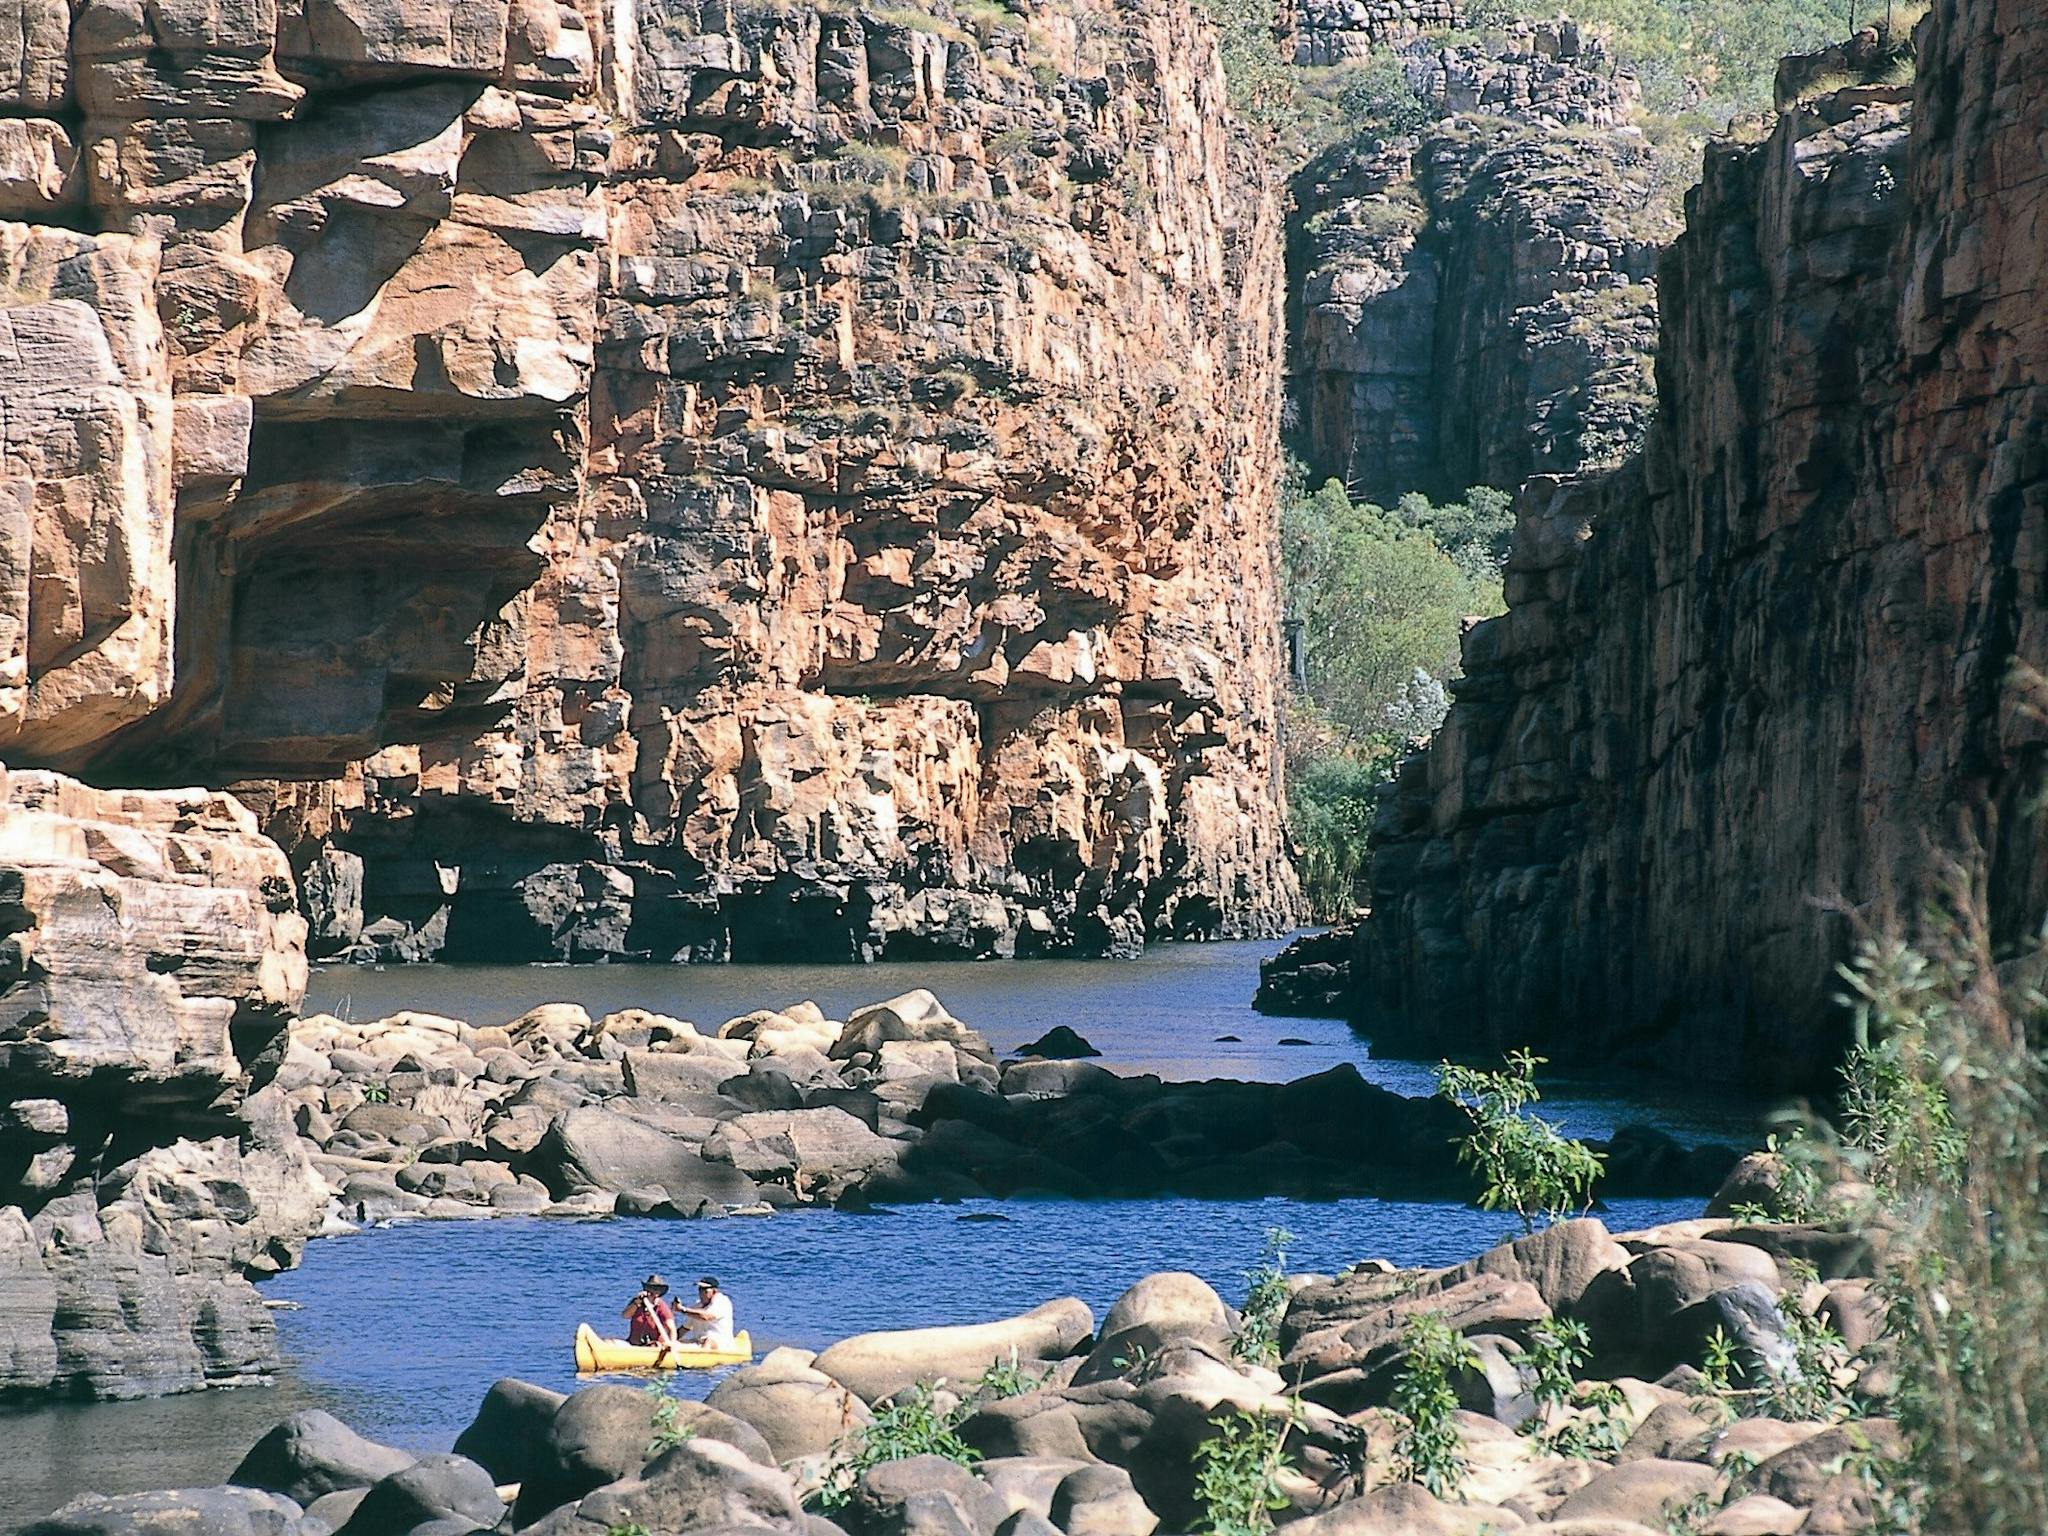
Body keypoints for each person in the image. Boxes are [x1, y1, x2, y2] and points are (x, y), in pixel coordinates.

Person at [623, 1274, 679, 1350]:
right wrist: (637, 1303)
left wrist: (671, 1344)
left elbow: (672, 1329)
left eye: (657, 1290)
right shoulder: (637, 1302)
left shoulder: (661, 1306)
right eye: (652, 1289)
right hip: (633, 1344)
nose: (654, 1294)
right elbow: (625, 1315)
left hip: (653, 1346)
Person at [678, 1275, 736, 1349]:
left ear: (714, 1291)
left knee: (708, 1341)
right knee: (676, 1343)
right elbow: (684, 1328)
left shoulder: (722, 1302)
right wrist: (669, 1339)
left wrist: (683, 1310)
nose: (701, 1293)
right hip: (699, 1342)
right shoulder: (697, 1307)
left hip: (721, 1344)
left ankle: (701, 1358)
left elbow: (706, 1317)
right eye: (700, 1289)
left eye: (705, 1290)